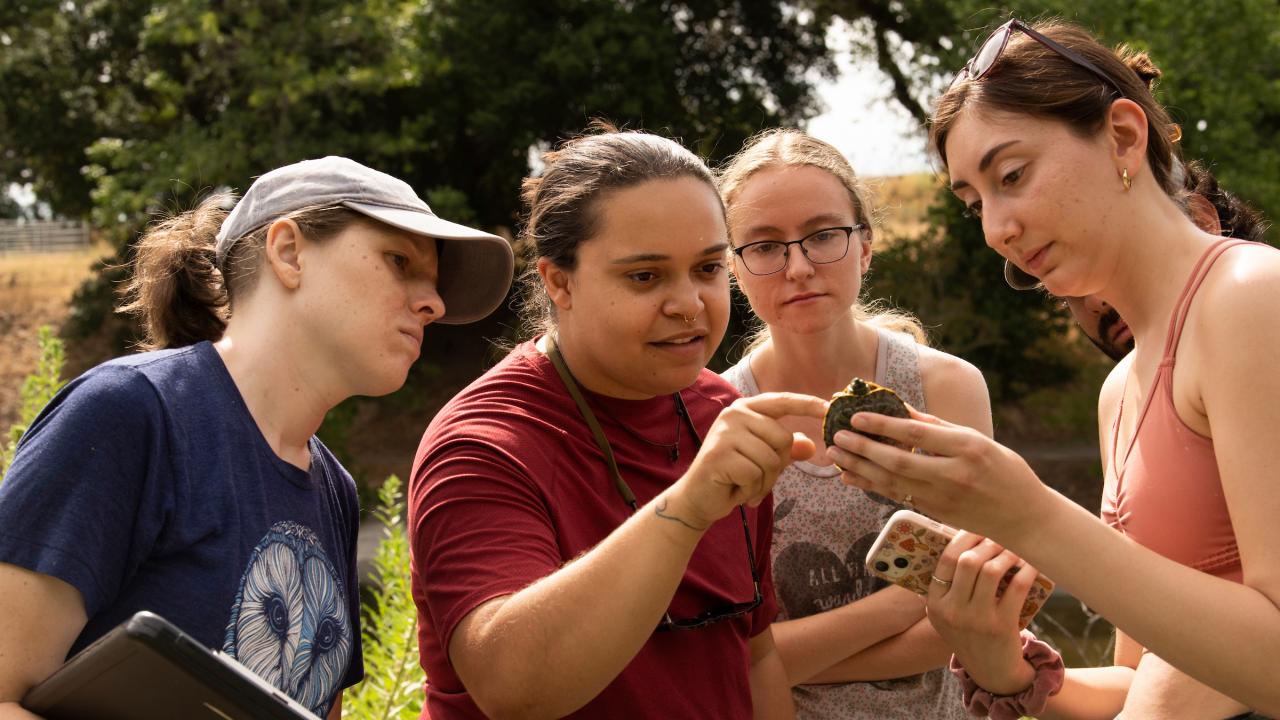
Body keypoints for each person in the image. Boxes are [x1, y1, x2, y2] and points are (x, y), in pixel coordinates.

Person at [827, 18, 1280, 719]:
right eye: (975, 202)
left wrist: (1029, 514)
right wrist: (1002, 665)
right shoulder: (1117, 391)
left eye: (1013, 175)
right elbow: (1148, 679)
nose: (995, 228)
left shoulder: (1250, 297)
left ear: (1124, 136)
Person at [0, 156, 514, 719]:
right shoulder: (130, 415)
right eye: (399, 262)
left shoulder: (334, 491)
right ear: (289, 251)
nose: (433, 304)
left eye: (434, 284)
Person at [408, 127, 828, 719]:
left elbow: (754, 656)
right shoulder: (483, 445)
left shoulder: (722, 418)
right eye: (645, 277)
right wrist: (688, 507)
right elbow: (512, 685)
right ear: (559, 282)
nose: (689, 303)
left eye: (708, 268)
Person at [716, 129, 992, 718]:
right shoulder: (717, 417)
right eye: (764, 246)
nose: (798, 267)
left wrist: (778, 658)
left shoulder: (946, 389)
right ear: (733, 267)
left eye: (823, 236)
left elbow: (970, 622)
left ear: (865, 245)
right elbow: (718, 653)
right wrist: (894, 611)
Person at [1002, 159, 1270, 362]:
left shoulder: (1262, 307)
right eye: (1065, 285)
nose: (1096, 301)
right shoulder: (1116, 400)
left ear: (1202, 221)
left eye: (1119, 256)